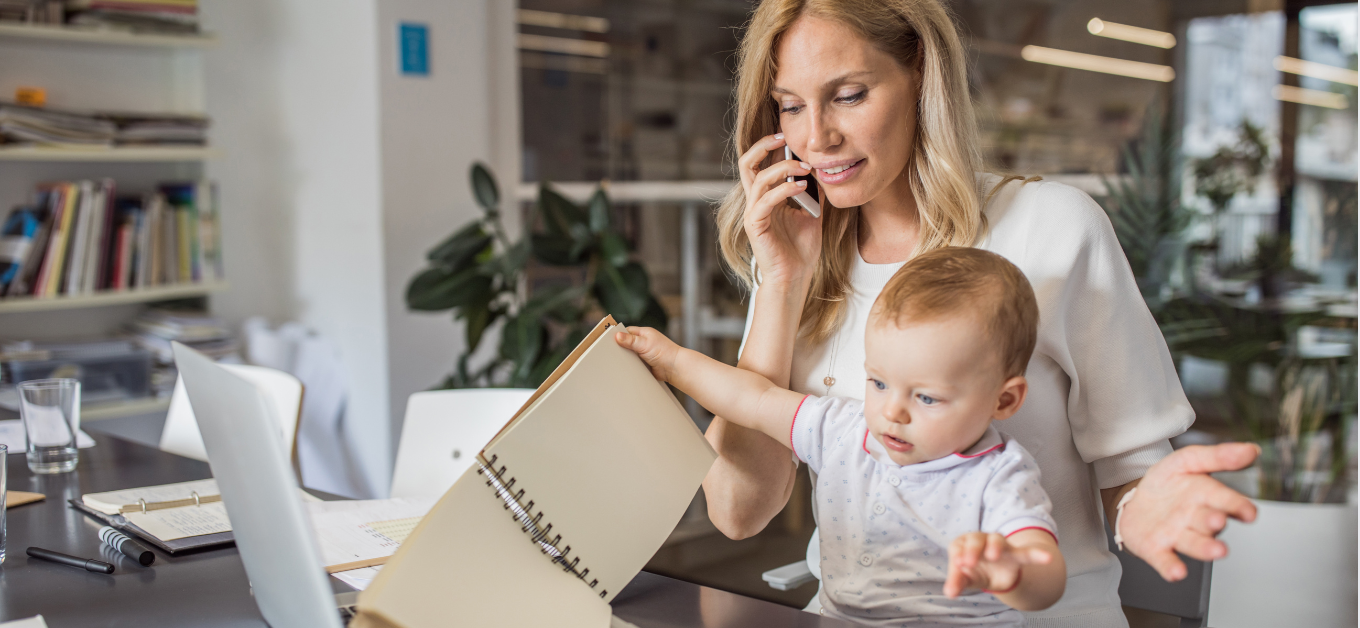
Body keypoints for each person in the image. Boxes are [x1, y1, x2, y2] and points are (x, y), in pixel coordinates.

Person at [704, 1, 1261, 626]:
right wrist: (781, 282)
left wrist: (1140, 504)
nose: (815, 138)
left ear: (920, 75)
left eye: (850, 95)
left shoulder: (1051, 228)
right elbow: (736, 512)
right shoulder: (795, 255)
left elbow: (1133, 468)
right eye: (791, 105)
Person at [620, 247, 1066, 625]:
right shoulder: (842, 429)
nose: (892, 411)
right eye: (878, 383)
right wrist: (674, 362)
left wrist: (1011, 571)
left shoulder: (999, 476)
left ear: (1003, 402)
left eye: (927, 398)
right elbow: (751, 400)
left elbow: (1046, 575)